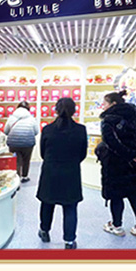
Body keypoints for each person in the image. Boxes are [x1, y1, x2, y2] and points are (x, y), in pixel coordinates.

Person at [95, 90, 136, 240]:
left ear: (113, 104)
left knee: (116, 195)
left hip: (116, 163)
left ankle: (117, 226)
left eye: (105, 103)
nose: (103, 106)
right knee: (134, 194)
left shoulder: (109, 120)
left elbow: (111, 143)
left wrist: (131, 154)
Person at [36, 98, 87, 249]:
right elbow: (82, 154)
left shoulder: (47, 129)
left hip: (50, 171)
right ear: (74, 111)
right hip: (71, 172)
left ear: (56, 110)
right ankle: (69, 241)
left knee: (47, 203)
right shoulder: (81, 130)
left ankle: (44, 231)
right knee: (70, 206)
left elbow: (43, 153)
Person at [4, 101, 40, 182]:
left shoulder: (11, 118)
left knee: (16, 161)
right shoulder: (31, 118)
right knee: (26, 160)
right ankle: (25, 176)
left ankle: (16, 178)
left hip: (13, 143)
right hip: (28, 143)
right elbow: (36, 131)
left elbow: (6, 131)